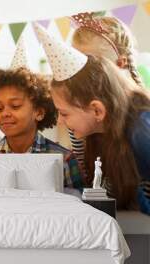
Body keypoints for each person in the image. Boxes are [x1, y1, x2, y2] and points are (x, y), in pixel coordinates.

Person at [51, 55, 150, 214]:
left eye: (64, 113)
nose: (59, 122)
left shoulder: (142, 132)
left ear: (97, 110)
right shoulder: (101, 136)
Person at [67, 13, 144, 181]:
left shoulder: (141, 121)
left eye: (89, 63)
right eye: (75, 61)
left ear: (120, 64)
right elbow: (86, 175)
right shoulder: (78, 115)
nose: (78, 72)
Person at [0, 67, 84, 190]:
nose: (5, 113)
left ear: (39, 113)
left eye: (15, 106)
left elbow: (77, 205)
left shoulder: (63, 159)